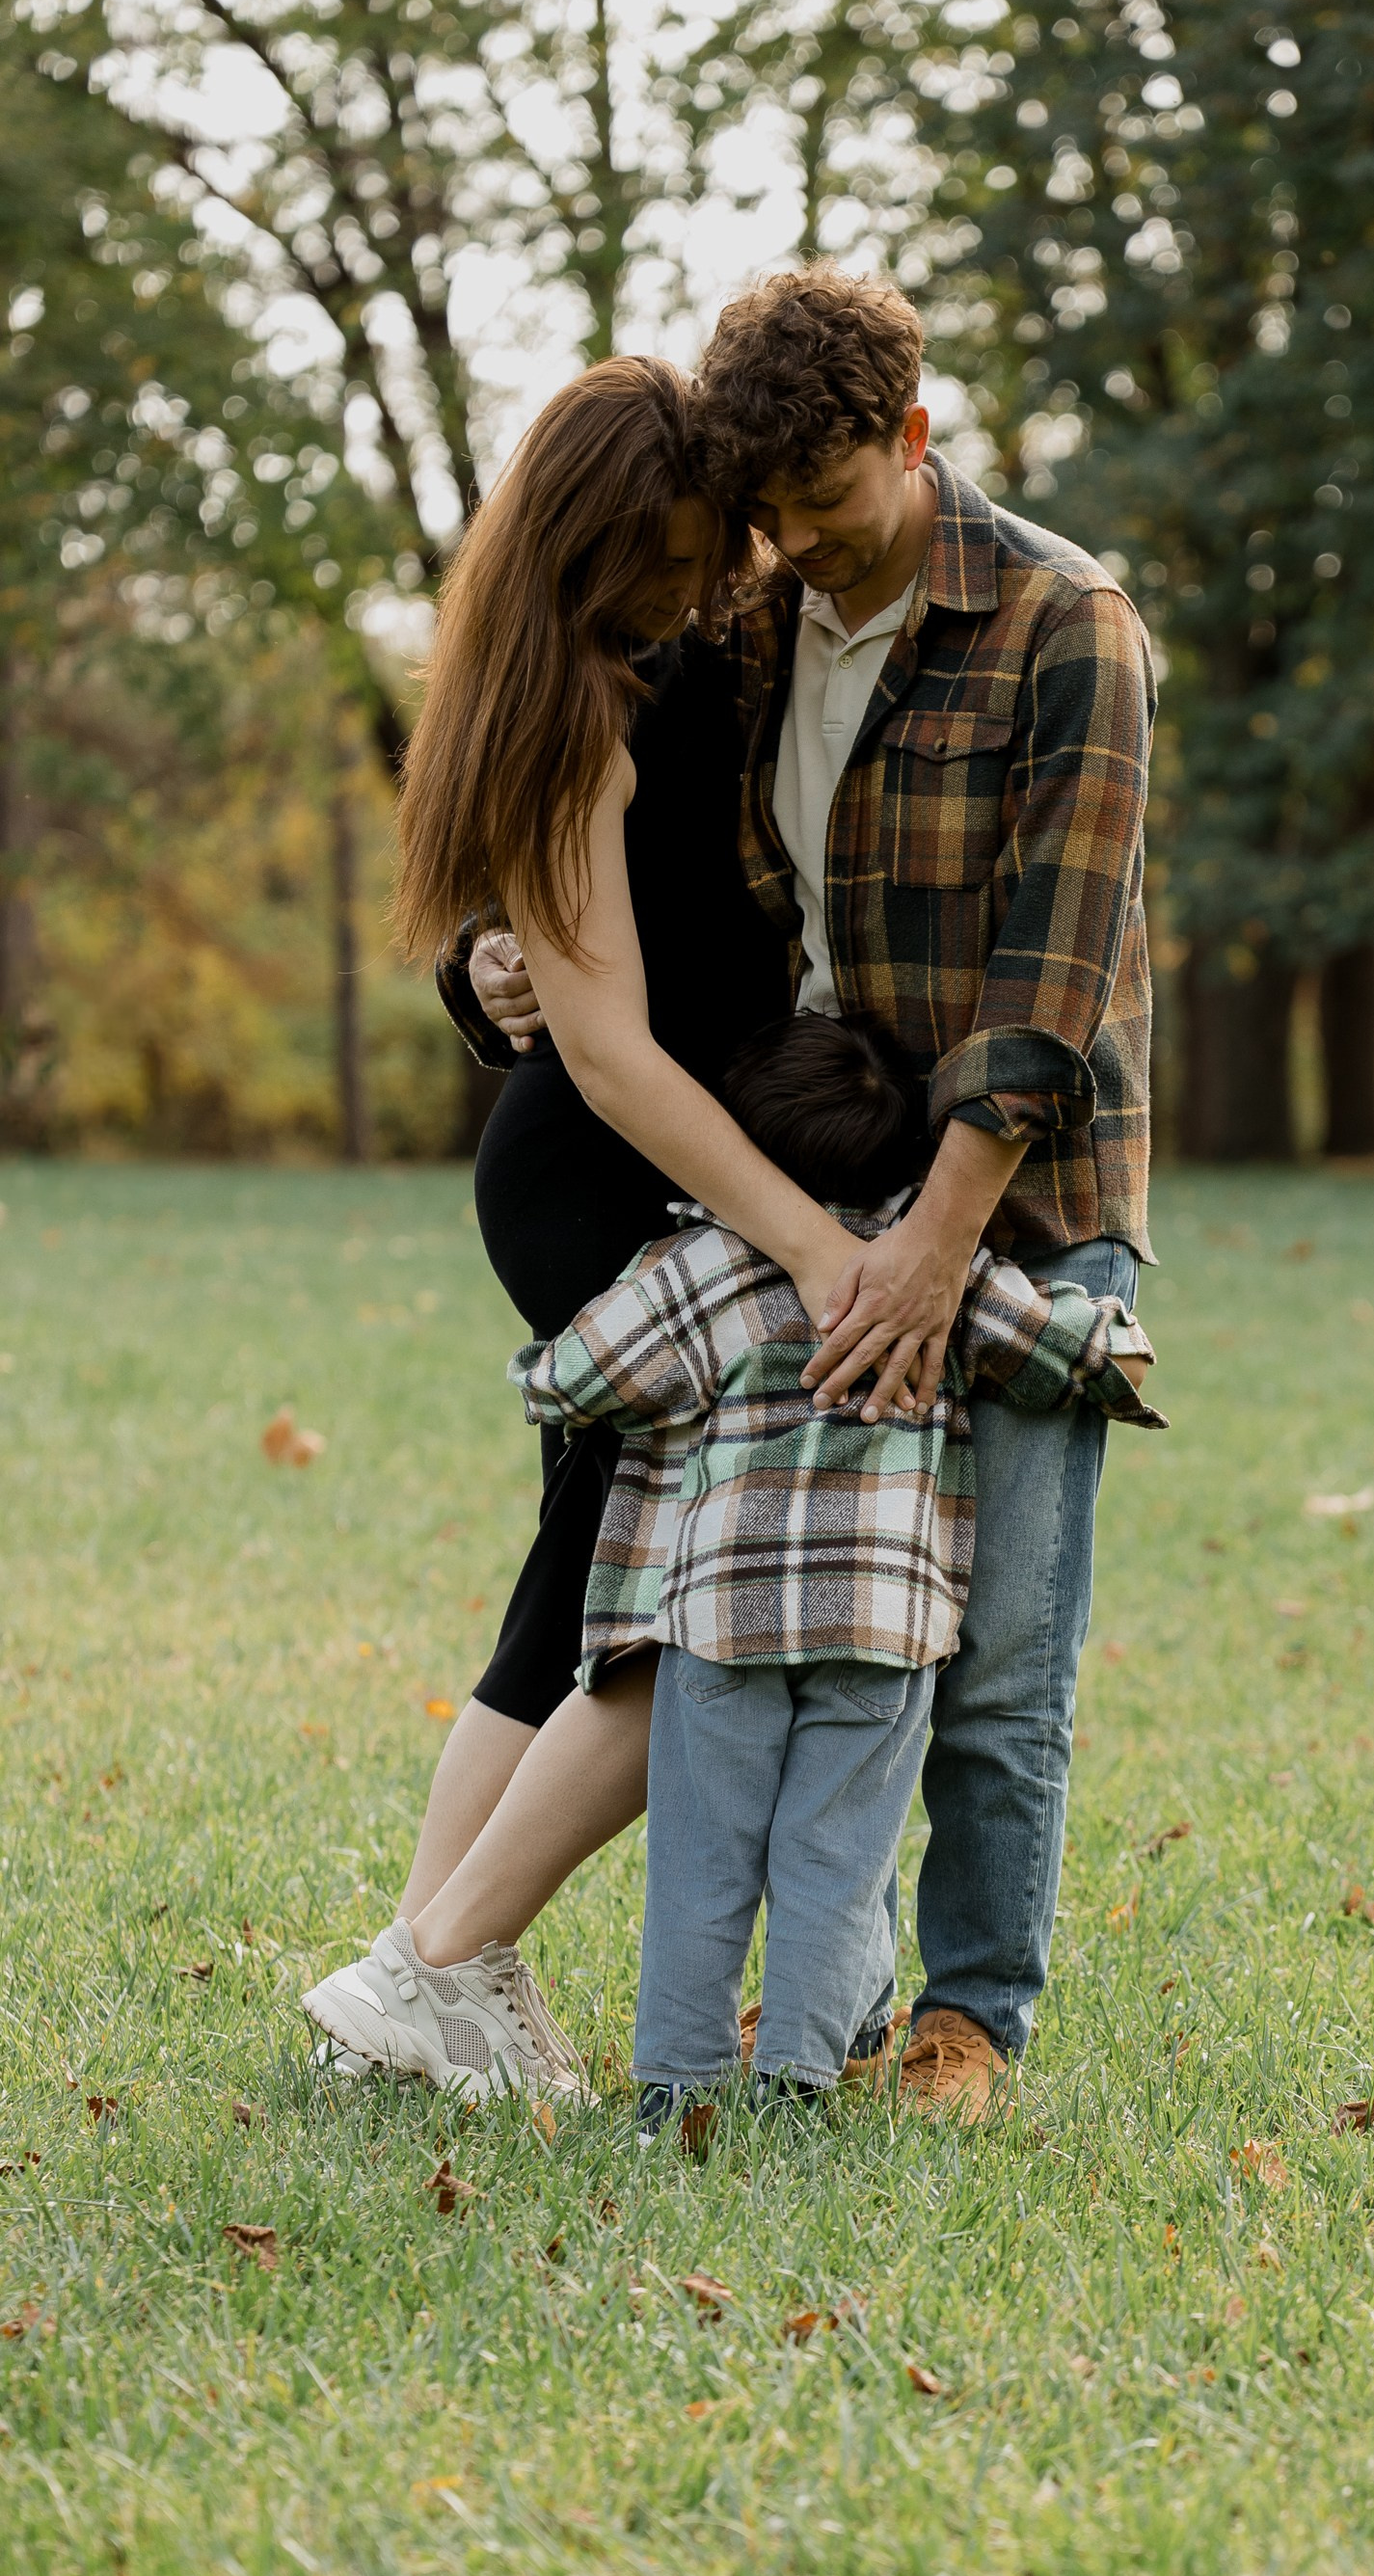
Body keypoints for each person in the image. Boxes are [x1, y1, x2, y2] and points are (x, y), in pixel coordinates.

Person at [461, 266, 1156, 2118]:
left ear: (914, 442)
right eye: (770, 519)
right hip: (809, 1174)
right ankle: (798, 2016)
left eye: (830, 509)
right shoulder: (760, 616)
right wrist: (494, 965)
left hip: (1007, 1197)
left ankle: (967, 2023)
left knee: (993, 1651)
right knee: (766, 1608)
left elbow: (1054, 984)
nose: (797, 550)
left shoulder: (1064, 623)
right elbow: (607, 831)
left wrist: (930, 1248)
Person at [302, 1014, 1163, 2116]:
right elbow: (1069, 1353)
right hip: (882, 1633)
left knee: (701, 1870)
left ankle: (676, 2089)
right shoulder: (933, 1275)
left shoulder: (698, 1269)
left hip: (720, 1628)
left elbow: (567, 1378)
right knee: (832, 1864)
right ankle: (795, 2085)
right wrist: (1116, 1342)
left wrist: (569, 1364)